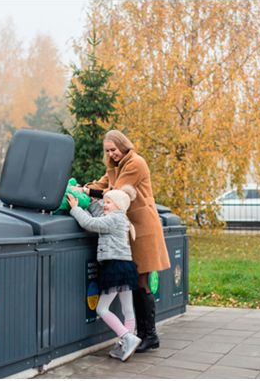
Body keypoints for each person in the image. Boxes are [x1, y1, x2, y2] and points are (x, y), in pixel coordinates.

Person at [72, 130, 170, 353]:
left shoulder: (136, 163)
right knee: (134, 283)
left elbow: (114, 192)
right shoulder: (115, 166)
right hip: (127, 228)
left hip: (142, 229)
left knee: (142, 282)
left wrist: (87, 191)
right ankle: (140, 334)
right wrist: (83, 187)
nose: (111, 154)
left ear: (123, 146)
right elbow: (102, 183)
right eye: (107, 151)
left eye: (113, 150)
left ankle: (150, 335)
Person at [66, 186, 142, 361]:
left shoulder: (113, 219)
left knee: (101, 308)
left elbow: (90, 224)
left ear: (119, 205)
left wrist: (76, 208)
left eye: (108, 202)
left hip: (114, 266)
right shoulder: (121, 218)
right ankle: (126, 346)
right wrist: (91, 201)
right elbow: (99, 213)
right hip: (125, 266)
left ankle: (127, 337)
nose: (104, 205)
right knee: (127, 310)